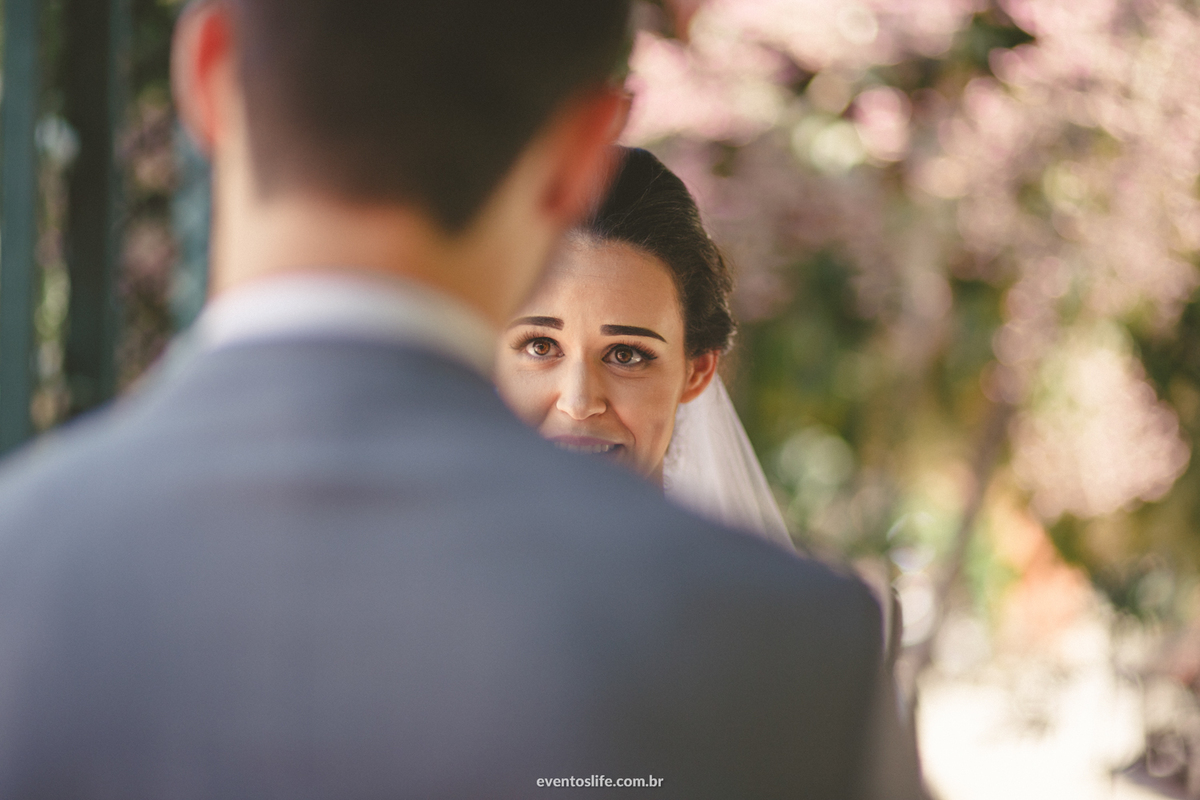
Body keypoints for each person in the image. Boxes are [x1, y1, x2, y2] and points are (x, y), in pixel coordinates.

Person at [0, 1, 923, 797]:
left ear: (208, 77)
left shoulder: (24, 567)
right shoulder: (790, 645)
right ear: (582, 152)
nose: (577, 398)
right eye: (540, 346)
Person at [496, 147, 793, 547]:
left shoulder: (746, 585)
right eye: (541, 346)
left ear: (696, 371)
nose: (579, 403)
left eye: (625, 355)